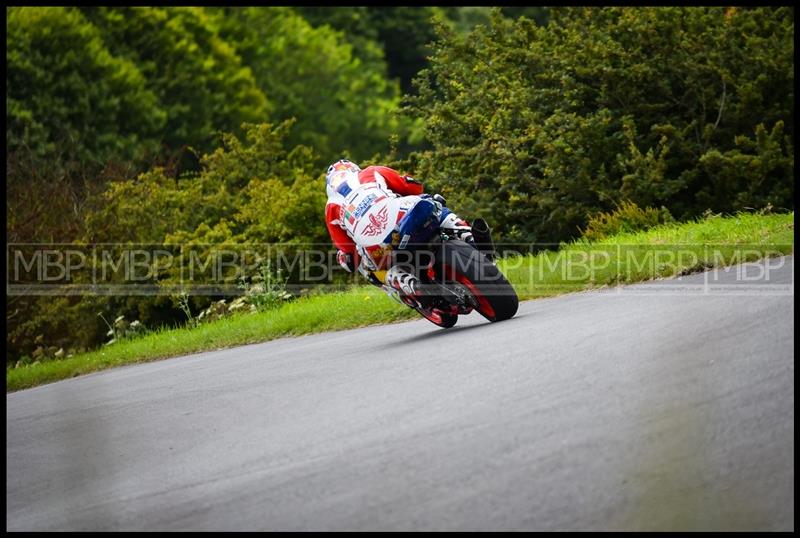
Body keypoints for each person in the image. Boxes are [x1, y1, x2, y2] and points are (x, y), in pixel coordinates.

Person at [324, 159, 473, 305]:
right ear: (354, 169)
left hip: (378, 247)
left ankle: (406, 282)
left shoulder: (331, 208)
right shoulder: (370, 172)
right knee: (430, 201)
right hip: (402, 218)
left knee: (368, 267)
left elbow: (347, 249)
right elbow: (413, 187)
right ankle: (464, 231)